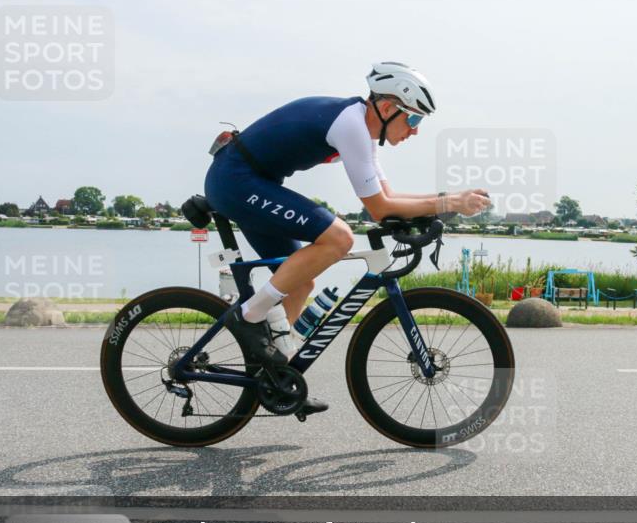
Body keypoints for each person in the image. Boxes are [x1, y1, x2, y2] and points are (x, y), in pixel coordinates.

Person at [204, 62, 490, 413]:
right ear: (387, 109)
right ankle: (248, 315)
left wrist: (446, 203)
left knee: (301, 284)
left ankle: (277, 374)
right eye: (414, 120)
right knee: (340, 238)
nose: (415, 131)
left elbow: (389, 198)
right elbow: (380, 209)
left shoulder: (363, 132)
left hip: (250, 181)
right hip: (236, 180)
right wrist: (450, 203)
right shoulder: (351, 125)